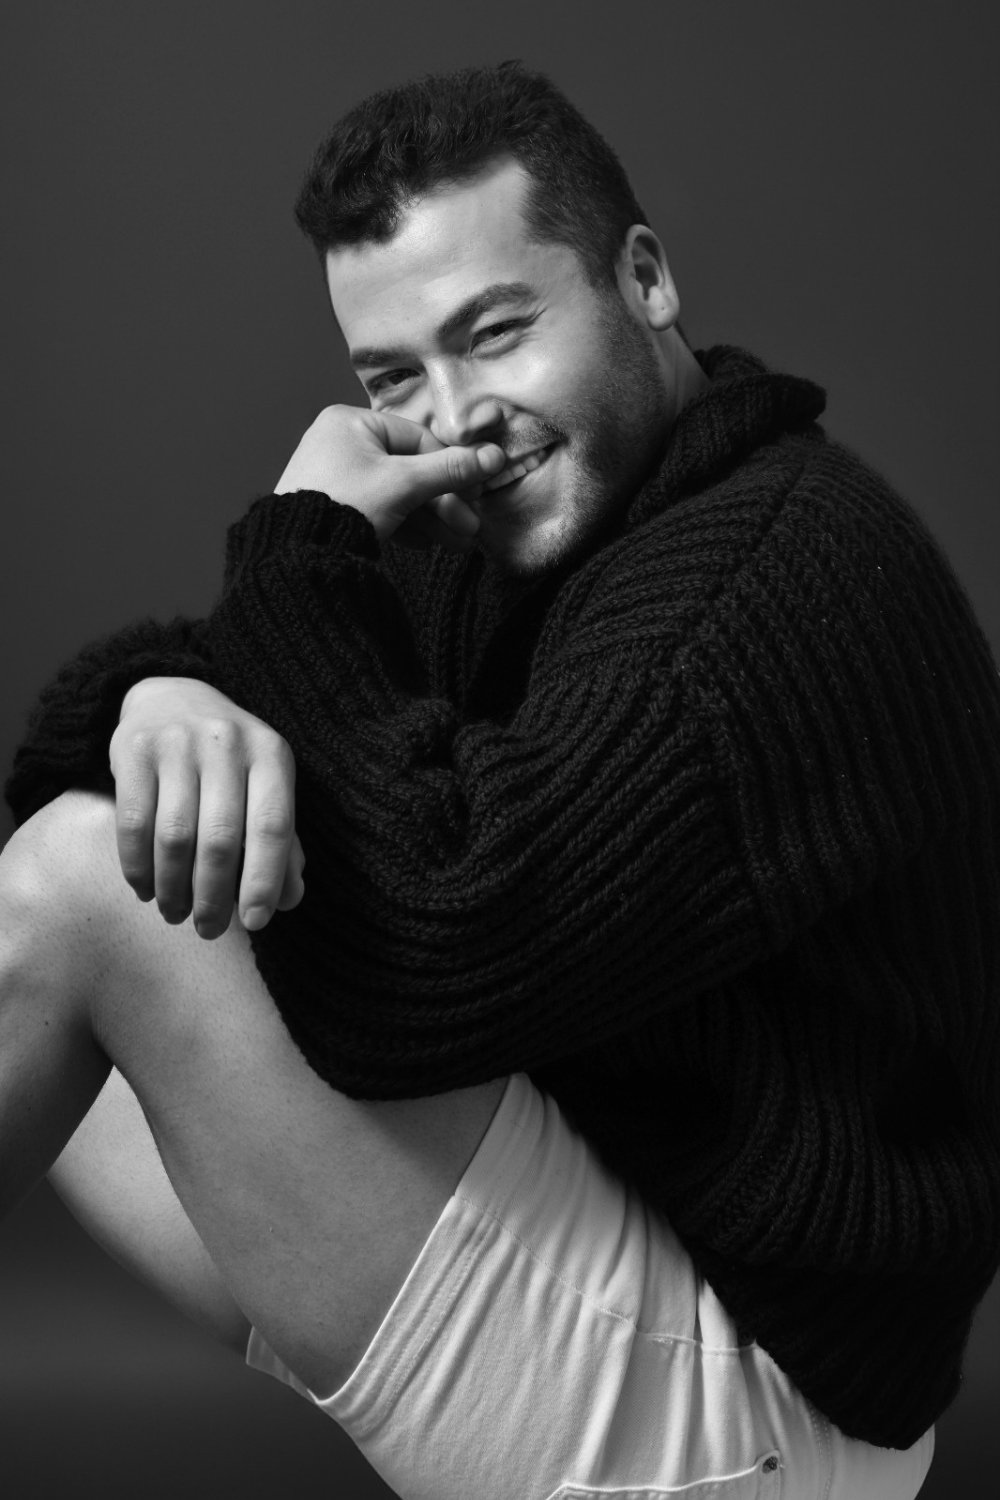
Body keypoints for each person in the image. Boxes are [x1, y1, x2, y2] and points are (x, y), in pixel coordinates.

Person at [1, 58, 997, 1500]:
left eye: (497, 333)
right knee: (98, 848)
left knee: (82, 891)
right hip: (617, 1248)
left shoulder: (778, 572)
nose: (461, 417)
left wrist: (302, 542)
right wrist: (167, 698)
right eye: (394, 379)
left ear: (644, 280)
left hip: (762, 1407)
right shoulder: (513, 524)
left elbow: (431, 959)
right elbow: (79, 752)